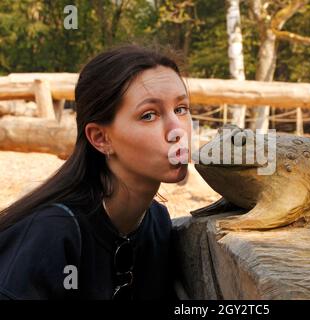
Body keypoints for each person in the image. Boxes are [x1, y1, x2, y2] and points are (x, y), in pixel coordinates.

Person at [0, 44, 192, 299]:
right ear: (101, 138)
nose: (177, 130)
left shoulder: (156, 223)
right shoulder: (51, 233)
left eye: (181, 109)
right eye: (149, 115)